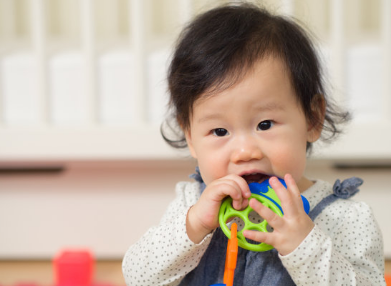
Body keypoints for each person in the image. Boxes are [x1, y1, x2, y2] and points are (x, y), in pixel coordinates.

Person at [122, 3, 385, 285]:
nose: (246, 152)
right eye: (220, 130)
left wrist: (305, 245)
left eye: (265, 125)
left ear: (312, 119)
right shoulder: (192, 204)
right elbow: (138, 276)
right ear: (190, 137)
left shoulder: (344, 219)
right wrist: (194, 226)